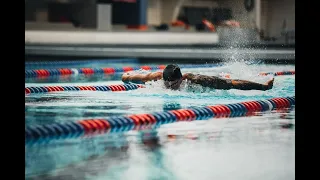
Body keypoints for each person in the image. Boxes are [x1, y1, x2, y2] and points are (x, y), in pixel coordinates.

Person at [122, 64, 274, 91]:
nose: (169, 87)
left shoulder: (194, 80)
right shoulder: (156, 77)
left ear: (180, 80)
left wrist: (262, 87)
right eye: (167, 84)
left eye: (172, 84)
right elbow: (127, 77)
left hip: (213, 79)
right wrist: (126, 76)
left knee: (227, 83)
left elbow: (232, 84)